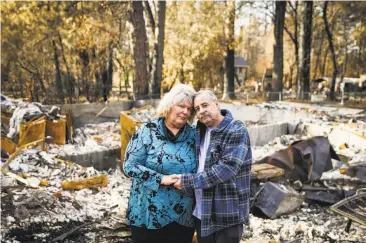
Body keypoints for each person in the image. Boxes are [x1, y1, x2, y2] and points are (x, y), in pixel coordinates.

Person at [174, 90, 252, 243]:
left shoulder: (236, 130)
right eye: (197, 109)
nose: (201, 111)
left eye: (205, 105)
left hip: (227, 215)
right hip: (202, 212)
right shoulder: (199, 131)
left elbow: (226, 169)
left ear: (216, 104)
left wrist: (187, 181)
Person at [123, 84, 197, 243]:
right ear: (170, 105)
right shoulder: (147, 131)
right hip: (148, 212)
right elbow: (129, 165)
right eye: (181, 106)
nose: (185, 111)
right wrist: (161, 179)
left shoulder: (194, 135)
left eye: (189, 109)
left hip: (183, 214)